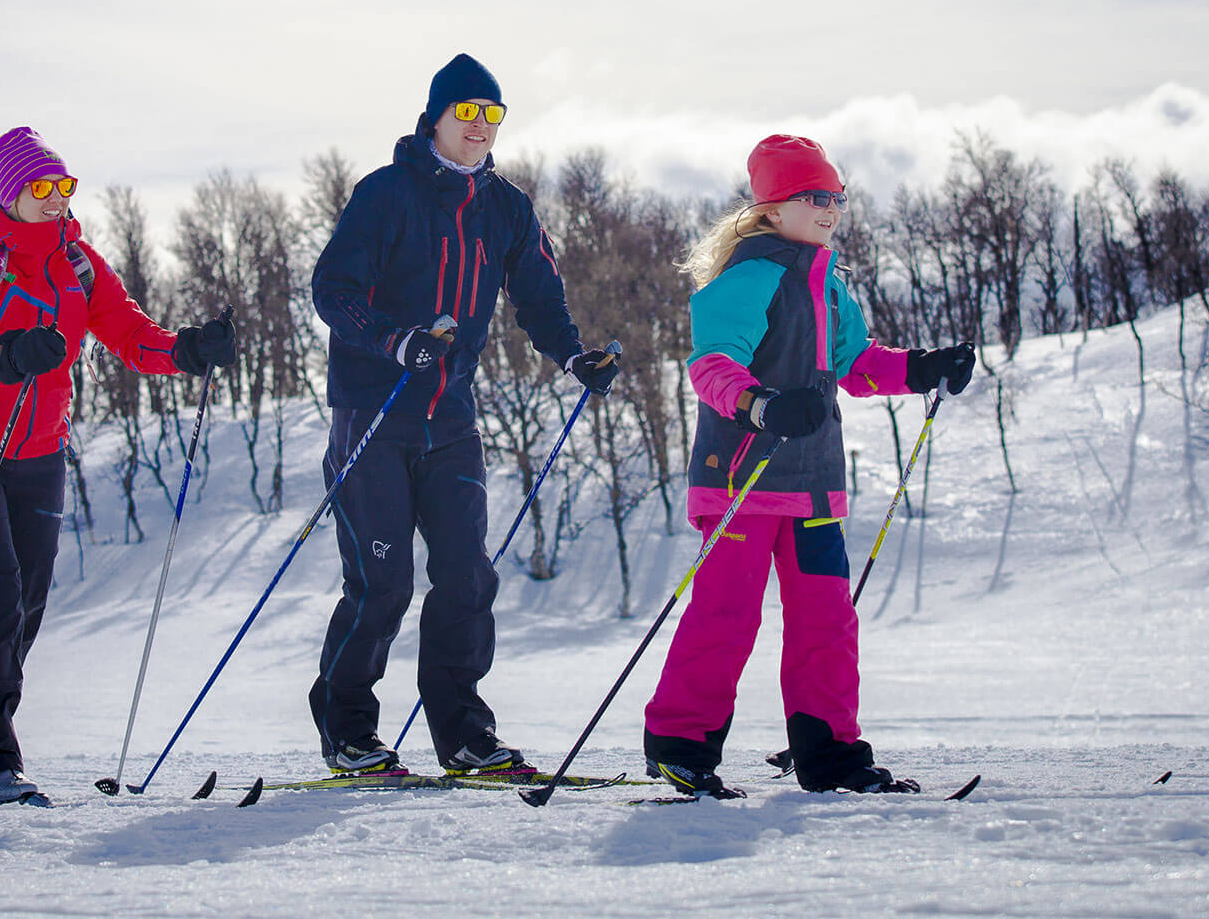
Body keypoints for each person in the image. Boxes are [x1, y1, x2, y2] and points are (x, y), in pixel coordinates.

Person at [310, 53, 619, 775]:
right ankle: (350, 731)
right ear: (436, 118)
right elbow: (333, 289)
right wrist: (396, 341)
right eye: (467, 113)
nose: (480, 127)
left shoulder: (506, 207)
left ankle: (465, 736)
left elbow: (539, 296)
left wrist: (573, 358)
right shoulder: (385, 194)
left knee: (466, 577)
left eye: (492, 114)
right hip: (373, 414)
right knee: (381, 583)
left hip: (451, 417)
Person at [641, 134, 975, 798]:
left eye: (837, 197)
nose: (830, 208)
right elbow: (711, 367)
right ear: (771, 209)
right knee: (727, 614)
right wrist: (760, 405)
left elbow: (858, 365)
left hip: (815, 486)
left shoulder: (828, 285)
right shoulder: (747, 278)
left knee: (827, 620)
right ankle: (681, 745)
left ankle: (831, 755)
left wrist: (923, 367)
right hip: (743, 479)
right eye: (813, 197)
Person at [0, 126, 235, 804]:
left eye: (65, 186)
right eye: (43, 188)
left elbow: (126, 330)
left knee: (24, 605)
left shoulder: (79, 263)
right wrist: (4, 359)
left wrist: (184, 351)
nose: (57, 198)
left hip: (39, 452)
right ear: (13, 194)